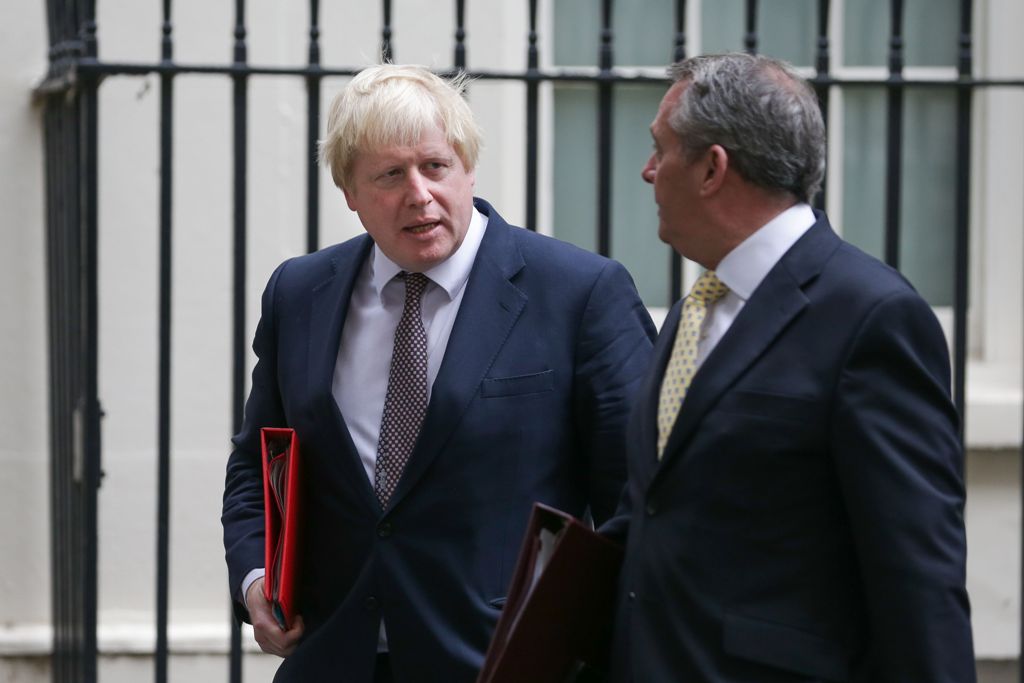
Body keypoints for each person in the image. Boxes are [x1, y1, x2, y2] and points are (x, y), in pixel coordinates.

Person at [221, 63, 655, 683]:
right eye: (391, 175)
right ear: (349, 191)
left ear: (468, 168)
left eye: (435, 166)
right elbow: (257, 468)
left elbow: (637, 503)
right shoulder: (300, 294)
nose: (419, 194)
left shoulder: (580, 293)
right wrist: (257, 578)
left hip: (504, 664)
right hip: (331, 659)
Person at [606, 53, 975, 682]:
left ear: (712, 168)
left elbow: (917, 575)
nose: (647, 172)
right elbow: (656, 509)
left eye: (660, 150)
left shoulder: (873, 317)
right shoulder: (695, 308)